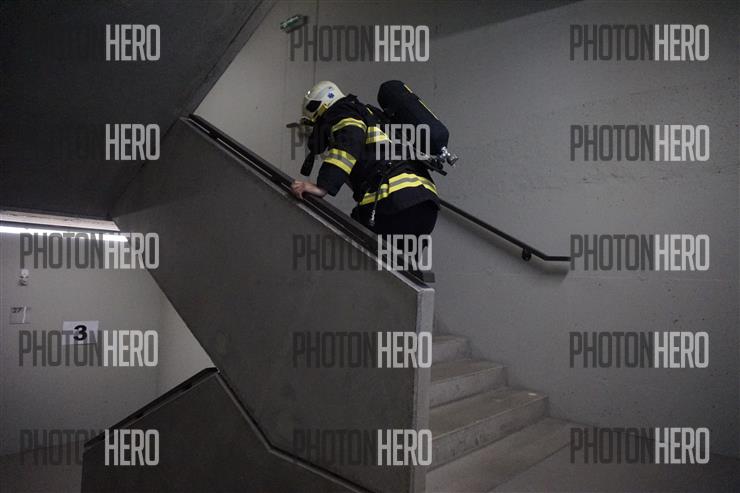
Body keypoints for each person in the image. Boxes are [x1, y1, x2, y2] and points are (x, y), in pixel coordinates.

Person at [290, 81, 439, 239]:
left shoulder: (342, 111)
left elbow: (350, 140)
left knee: (350, 241)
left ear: (319, 109)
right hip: (427, 205)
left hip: (393, 201)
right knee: (392, 253)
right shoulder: (371, 115)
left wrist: (323, 187)